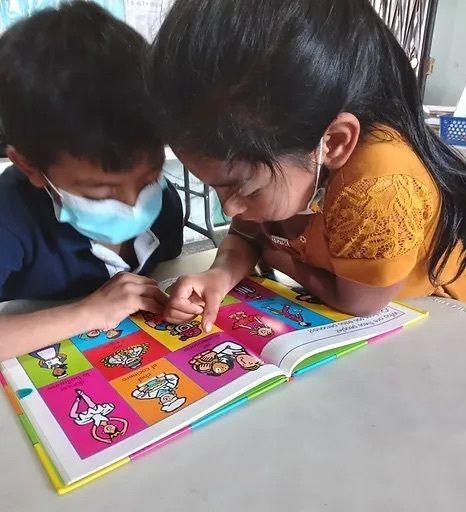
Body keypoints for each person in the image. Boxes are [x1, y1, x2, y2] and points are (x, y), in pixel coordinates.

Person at [149, 0, 466, 328]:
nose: (228, 210)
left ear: (332, 143)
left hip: (439, 321)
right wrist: (219, 275)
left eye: (245, 189)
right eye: (215, 187)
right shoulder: (283, 159)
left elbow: (359, 301)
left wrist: (273, 256)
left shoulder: (380, 184)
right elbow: (246, 234)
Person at [0, 1, 184, 361]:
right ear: (31, 167)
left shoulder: (164, 208)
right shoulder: (10, 220)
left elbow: (170, 268)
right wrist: (88, 313)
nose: (133, 204)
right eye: (100, 193)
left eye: (149, 178)